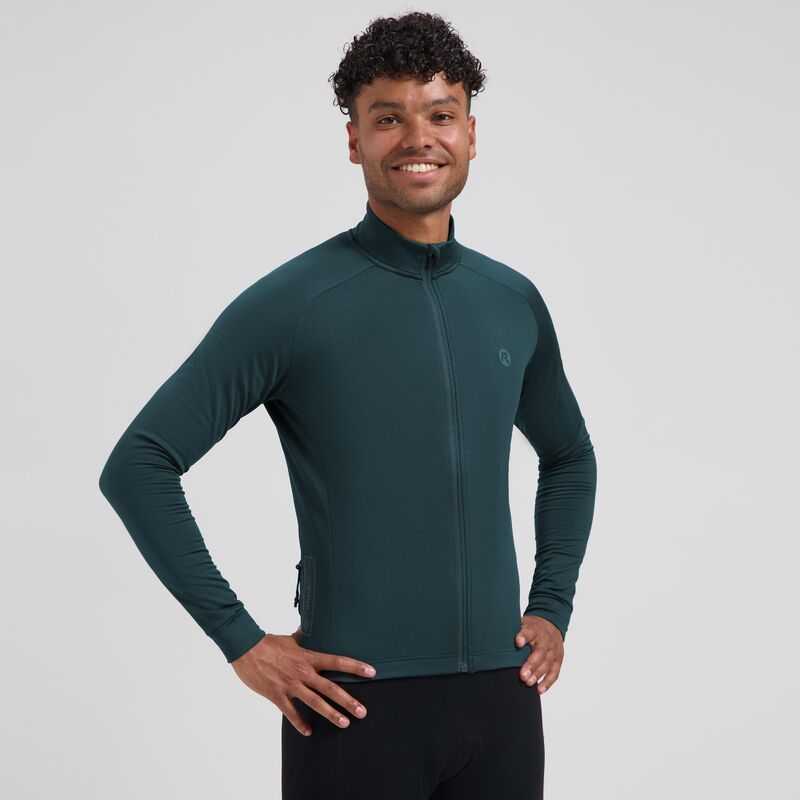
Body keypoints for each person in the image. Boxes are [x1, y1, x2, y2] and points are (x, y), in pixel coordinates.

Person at [99, 11, 597, 799]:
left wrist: (552, 605)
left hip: (502, 702)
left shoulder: (511, 301)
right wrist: (241, 640)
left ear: (471, 133)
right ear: (354, 140)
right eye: (387, 118)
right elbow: (139, 464)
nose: (418, 138)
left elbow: (569, 457)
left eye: (440, 115)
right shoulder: (297, 304)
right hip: (356, 708)